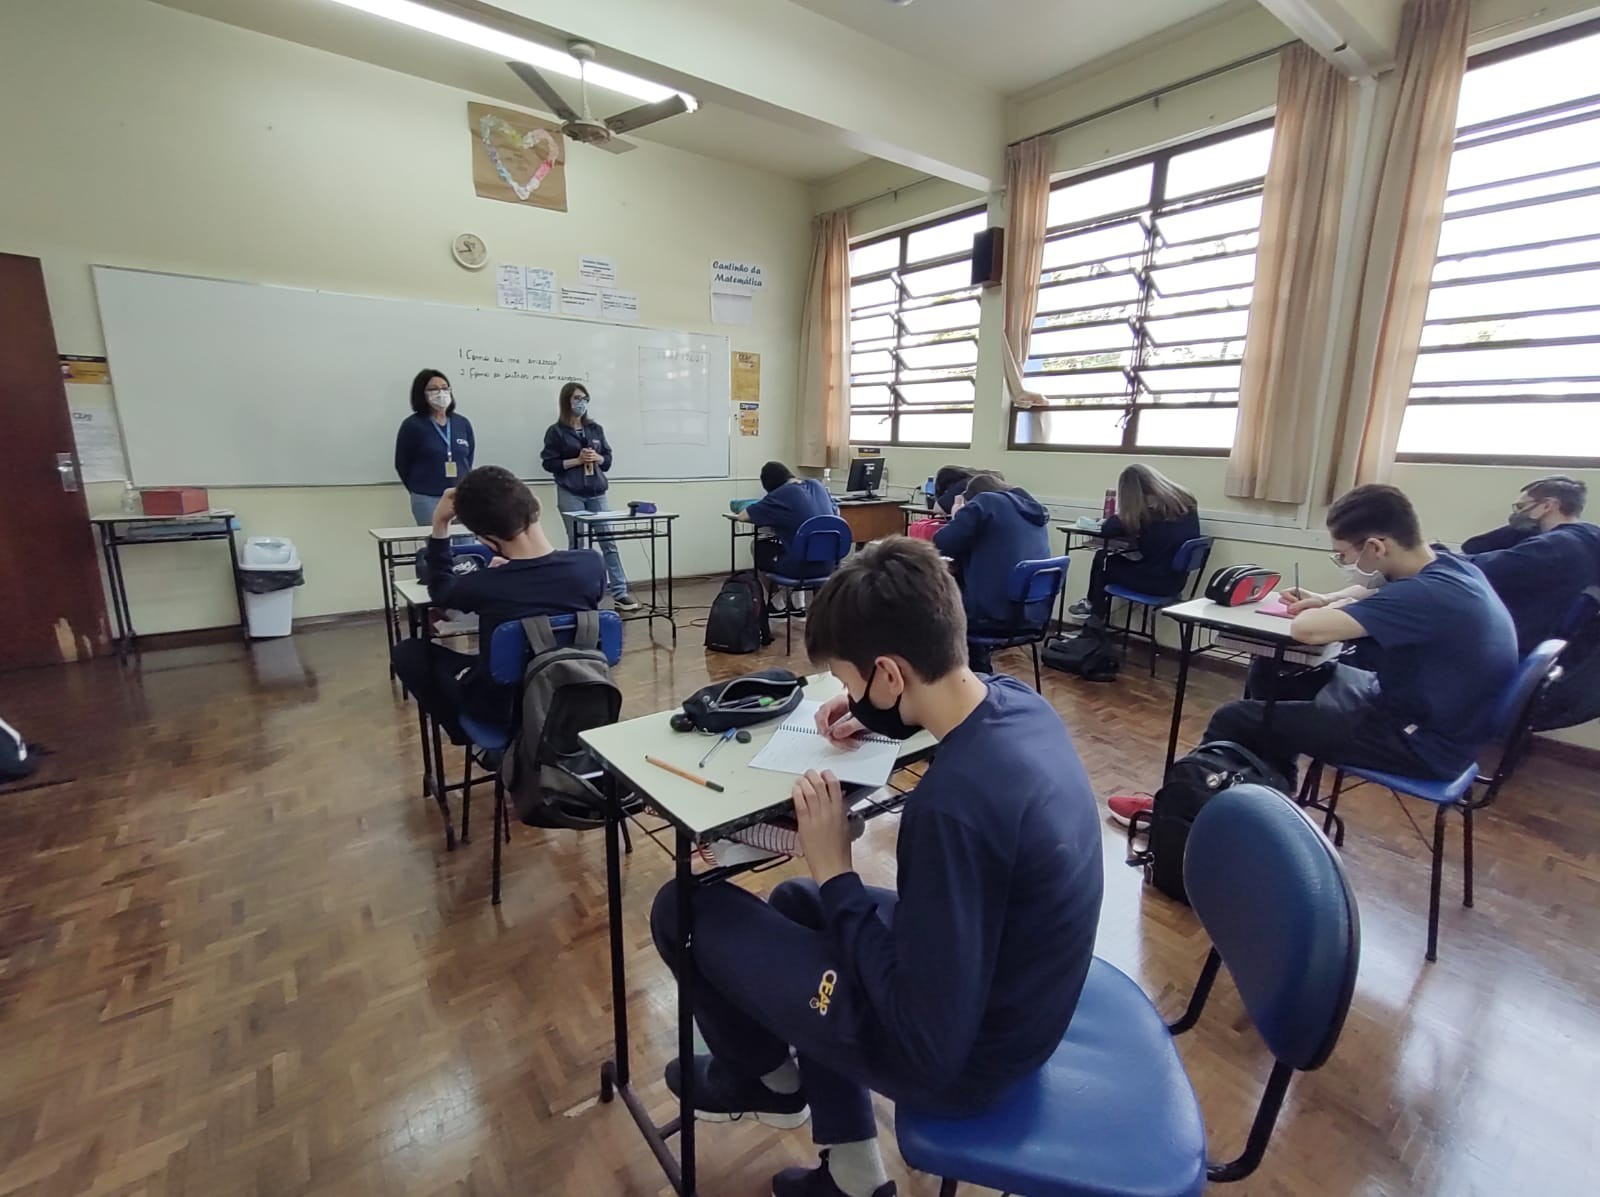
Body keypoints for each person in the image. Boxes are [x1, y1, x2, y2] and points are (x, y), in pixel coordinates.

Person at [649, 538, 1103, 1197]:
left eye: (851, 682)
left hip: (961, 1063)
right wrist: (875, 720)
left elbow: (925, 1040)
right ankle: (853, 1173)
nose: (849, 695)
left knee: (682, 907)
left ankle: (768, 1080)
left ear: (890, 674)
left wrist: (837, 867)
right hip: (1017, 996)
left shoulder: (951, 810)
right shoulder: (1015, 701)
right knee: (800, 902)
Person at [1199, 484, 1517, 793]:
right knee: (1273, 670)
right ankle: (1274, 788)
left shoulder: (1424, 595)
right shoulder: (1451, 567)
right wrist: (1328, 599)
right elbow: (1374, 590)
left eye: (1343, 555)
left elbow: (1306, 630)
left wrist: (1319, 610)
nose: (1346, 564)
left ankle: (1193, 802)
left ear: (1376, 547)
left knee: (1234, 718)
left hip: (1419, 743)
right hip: (1426, 714)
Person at [389, 466, 603, 744]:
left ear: (486, 540)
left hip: (505, 709)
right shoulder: (591, 565)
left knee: (408, 653)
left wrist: (440, 525)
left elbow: (440, 590)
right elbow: (543, 583)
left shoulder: (483, 585)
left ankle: (473, 737)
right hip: (577, 692)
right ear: (536, 507)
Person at [1460, 476, 1600, 655]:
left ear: (1548, 505)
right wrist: (1523, 529)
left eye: (1521, 507)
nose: (1518, 514)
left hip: (1516, 643)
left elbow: (1484, 568)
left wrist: (1438, 556)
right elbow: (1474, 546)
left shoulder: (1554, 545)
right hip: (1559, 646)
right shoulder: (1589, 536)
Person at [932, 473, 1051, 671]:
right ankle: (979, 671)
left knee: (935, 606)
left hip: (993, 617)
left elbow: (942, 542)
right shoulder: (1035, 511)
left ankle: (960, 676)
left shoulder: (986, 502)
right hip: (1033, 617)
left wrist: (957, 515)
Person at [540, 382, 639, 611]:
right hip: (570, 492)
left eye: (585, 398)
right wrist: (577, 460)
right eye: (577, 398)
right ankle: (578, 594)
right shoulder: (556, 431)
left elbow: (608, 460)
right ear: (566, 401)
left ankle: (620, 593)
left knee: (608, 542)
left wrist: (597, 458)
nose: (581, 402)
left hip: (596, 492)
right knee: (577, 544)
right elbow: (549, 463)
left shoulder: (595, 429)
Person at [1069, 464, 1201, 621]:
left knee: (1103, 559)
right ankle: (1094, 615)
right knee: (1112, 563)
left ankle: (1093, 614)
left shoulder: (1148, 511)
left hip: (1156, 583)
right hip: (1176, 582)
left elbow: (1108, 529)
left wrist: (1124, 513)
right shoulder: (1185, 502)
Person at [736, 461, 840, 611]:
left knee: (759, 547)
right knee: (795, 548)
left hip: (799, 569)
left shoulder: (780, 495)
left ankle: (776, 603)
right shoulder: (818, 485)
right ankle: (798, 604)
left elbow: (743, 516)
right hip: (830, 565)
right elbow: (837, 513)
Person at [394, 369, 475, 527]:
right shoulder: (413, 425)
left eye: (445, 388)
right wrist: (418, 488)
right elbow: (402, 463)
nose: (441, 393)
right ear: (422, 393)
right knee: (438, 538)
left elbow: (468, 457)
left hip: (460, 495)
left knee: (466, 540)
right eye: (433, 389)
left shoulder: (462, 423)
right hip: (427, 497)